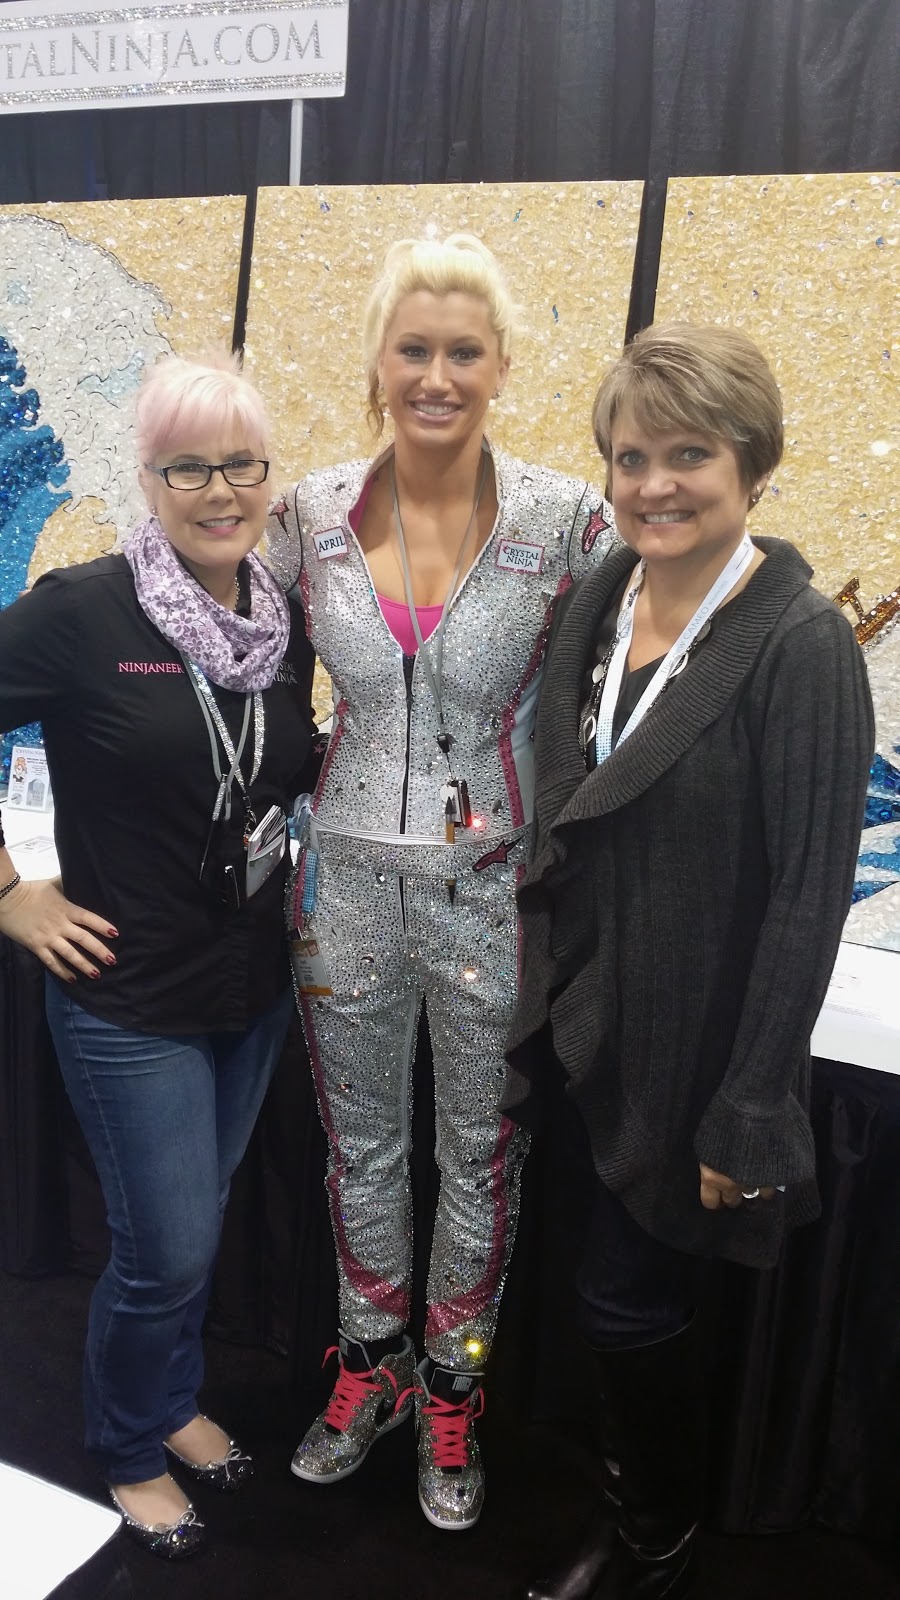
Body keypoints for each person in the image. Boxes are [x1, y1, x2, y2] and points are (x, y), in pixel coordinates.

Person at [503, 323, 875, 1599]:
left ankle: (655, 1536)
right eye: (630, 457)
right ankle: (631, 1500)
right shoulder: (600, 602)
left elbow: (808, 897)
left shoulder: (799, 644)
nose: (654, 485)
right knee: (595, 1294)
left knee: (630, 1304)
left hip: (694, 1050)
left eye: (690, 455)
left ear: (753, 466)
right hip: (579, 1021)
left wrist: (752, 1103)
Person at [266, 233, 615, 1529]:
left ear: (501, 366)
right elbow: (235, 657)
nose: (436, 375)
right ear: (378, 362)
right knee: (361, 1148)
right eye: (413, 349)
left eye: (464, 351)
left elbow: (624, 688)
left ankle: (454, 1385)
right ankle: (372, 1365)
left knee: (482, 1152)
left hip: (494, 894)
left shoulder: (566, 521)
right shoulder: (308, 515)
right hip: (342, 887)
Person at [0, 354, 317, 1560]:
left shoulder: (279, 621)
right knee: (165, 1244)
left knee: (204, 1216)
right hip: (126, 995)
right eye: (188, 467)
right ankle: (129, 1441)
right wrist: (11, 895)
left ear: (267, 478)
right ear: (148, 478)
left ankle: (173, 1396)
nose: (219, 489)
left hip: (252, 985)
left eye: (241, 463)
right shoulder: (85, 610)